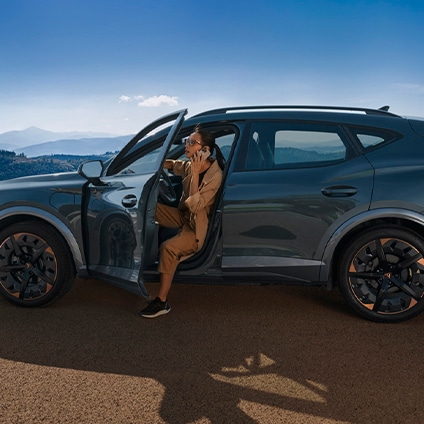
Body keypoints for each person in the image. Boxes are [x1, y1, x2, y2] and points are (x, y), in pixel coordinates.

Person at [140, 124, 225, 318]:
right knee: (148, 208)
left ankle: (161, 302)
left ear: (205, 150)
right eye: (187, 141)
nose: (186, 145)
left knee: (168, 248)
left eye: (192, 142)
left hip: (196, 226)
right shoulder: (190, 164)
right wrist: (154, 163)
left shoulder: (215, 176)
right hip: (183, 215)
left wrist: (195, 175)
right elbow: (173, 165)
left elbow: (196, 207)